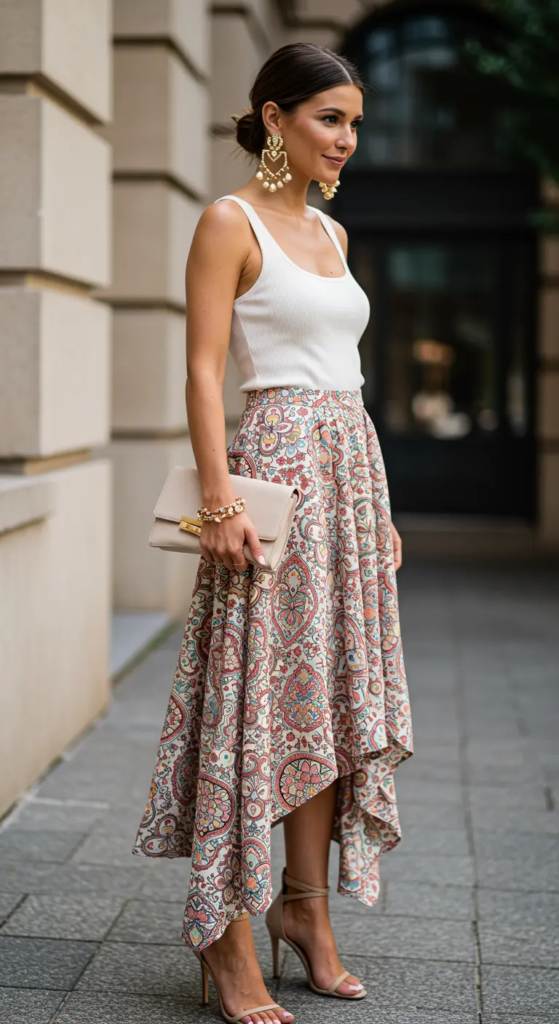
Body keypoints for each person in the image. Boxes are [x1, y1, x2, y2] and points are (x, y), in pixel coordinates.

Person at [133, 42, 413, 1024]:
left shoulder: (332, 237)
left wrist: (377, 514)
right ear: (274, 115)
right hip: (275, 471)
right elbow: (203, 370)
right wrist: (217, 500)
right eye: (330, 119)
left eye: (354, 124)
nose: (345, 140)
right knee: (258, 699)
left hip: (348, 474)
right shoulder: (229, 219)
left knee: (329, 699)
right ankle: (227, 930)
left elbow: (349, 373)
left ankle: (306, 907)